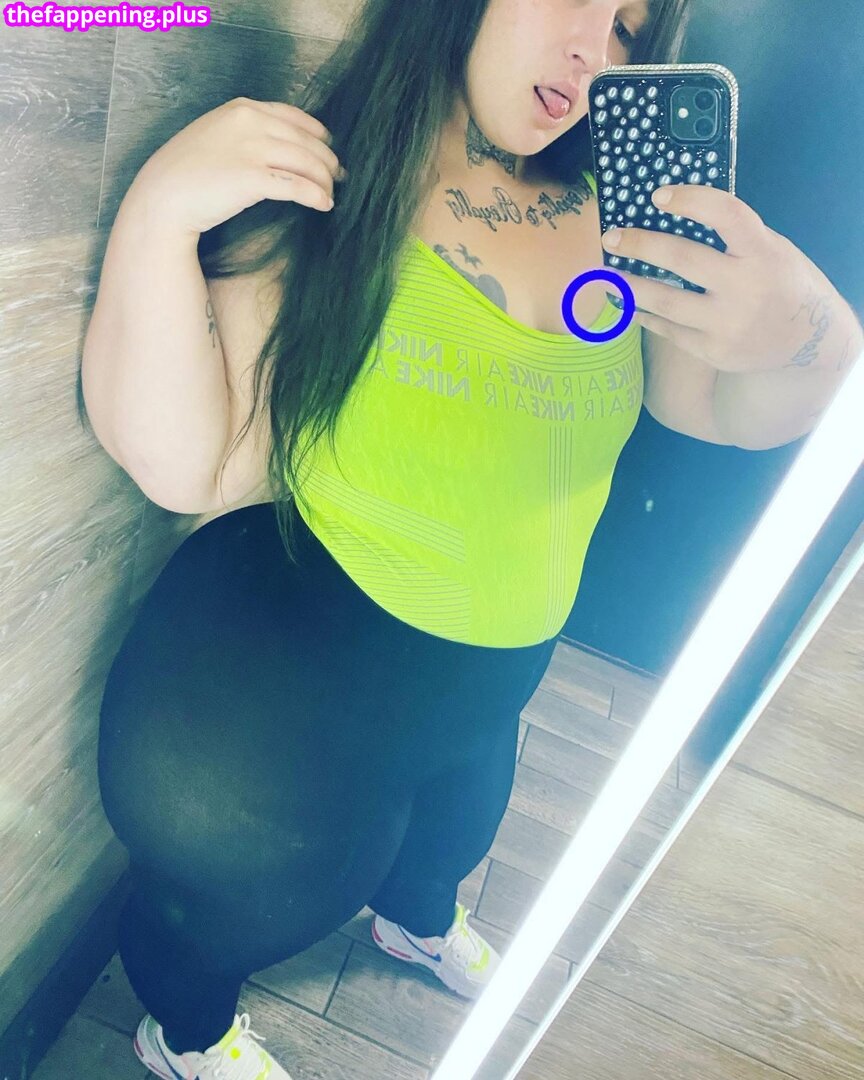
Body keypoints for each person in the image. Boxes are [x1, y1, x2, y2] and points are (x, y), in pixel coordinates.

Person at [85, 0, 860, 1075]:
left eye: (630, 31)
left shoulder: (628, 220)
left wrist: (814, 337)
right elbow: (188, 466)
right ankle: (188, 1037)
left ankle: (416, 923)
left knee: (453, 839)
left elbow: (715, 409)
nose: (592, 50)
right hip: (307, 680)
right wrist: (159, 213)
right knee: (246, 911)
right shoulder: (336, 177)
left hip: (495, 677)